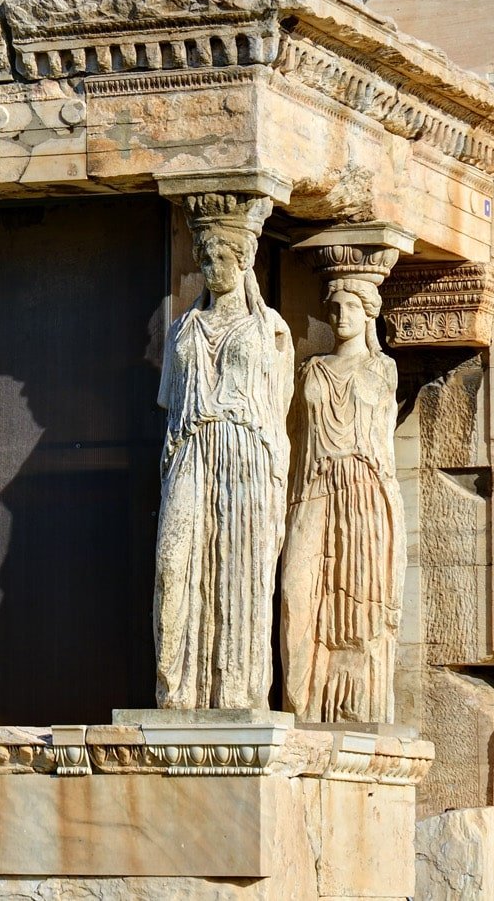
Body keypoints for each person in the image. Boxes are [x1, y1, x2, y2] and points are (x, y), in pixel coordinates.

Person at [155, 196, 292, 710]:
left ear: (243, 261)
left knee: (240, 571)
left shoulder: (270, 330)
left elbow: (276, 411)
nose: (210, 269)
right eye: (204, 260)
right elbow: (171, 402)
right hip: (190, 448)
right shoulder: (183, 330)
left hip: (245, 453)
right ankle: (177, 689)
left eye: (220, 259)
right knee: (174, 563)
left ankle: (235, 693)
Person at [282, 275, 404, 723]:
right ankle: (303, 702)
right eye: (333, 307)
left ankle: (352, 708)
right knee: (299, 591)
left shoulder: (382, 370)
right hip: (311, 490)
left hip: (363, 493)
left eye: (351, 306)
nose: (340, 315)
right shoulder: (310, 370)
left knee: (357, 604)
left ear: (369, 312)